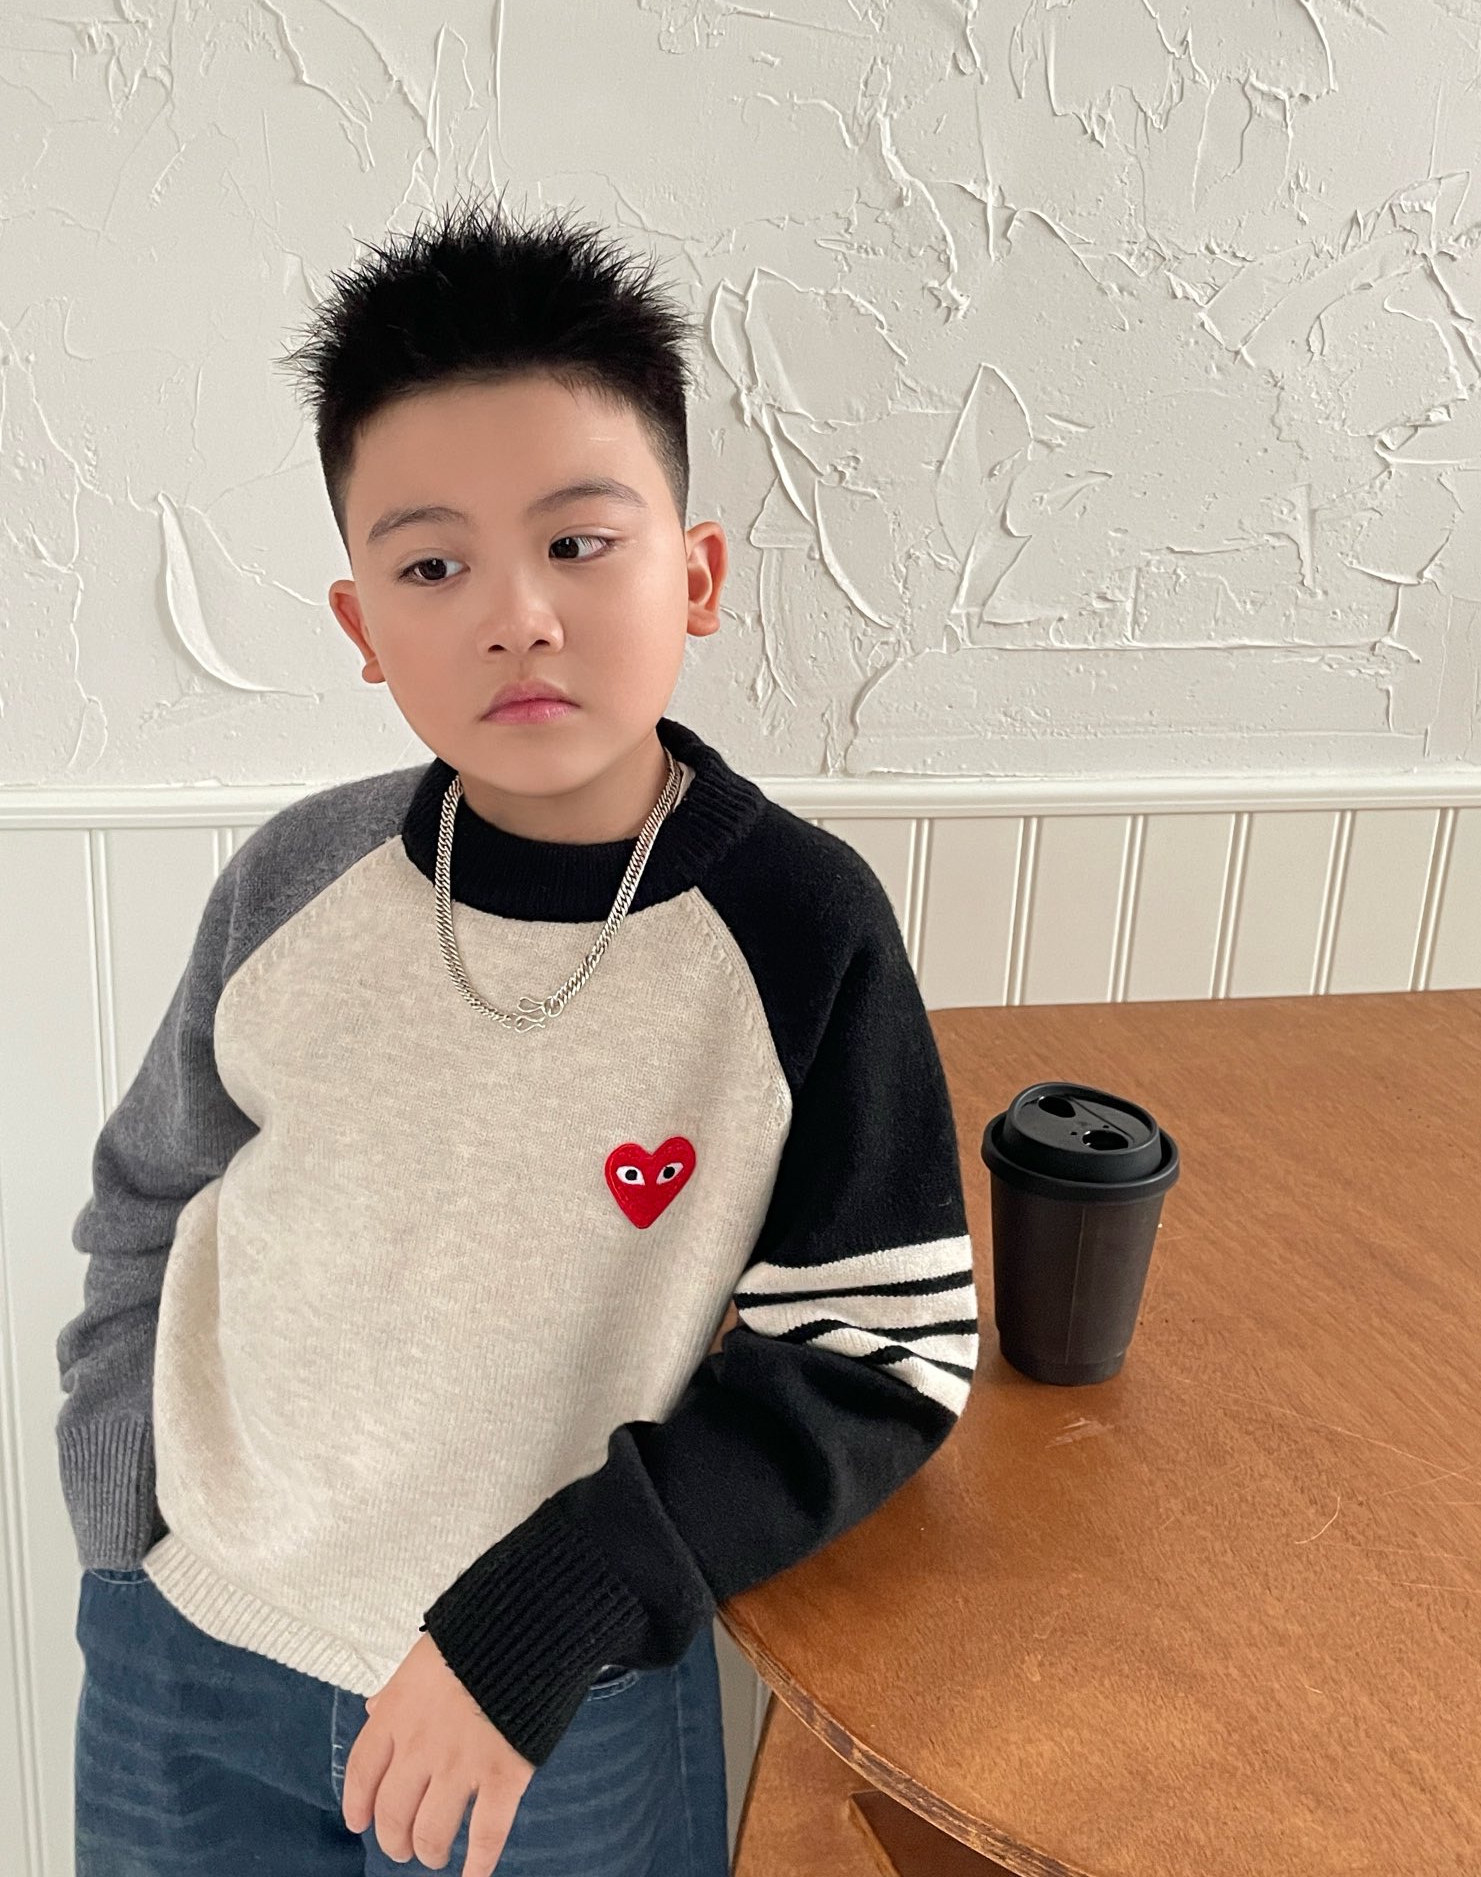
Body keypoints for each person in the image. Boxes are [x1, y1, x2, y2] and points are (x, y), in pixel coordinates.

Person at [55, 191, 980, 1876]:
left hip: (561, 1701)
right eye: (432, 565)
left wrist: (560, 1606)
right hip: (190, 1654)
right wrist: (125, 1538)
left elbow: (880, 1348)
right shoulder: (296, 880)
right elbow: (147, 1199)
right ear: (363, 627)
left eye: (578, 542)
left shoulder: (798, 929)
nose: (517, 615)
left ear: (695, 576)